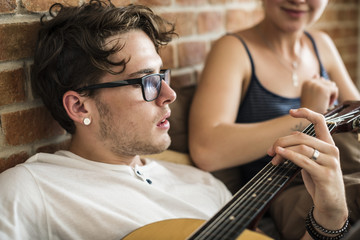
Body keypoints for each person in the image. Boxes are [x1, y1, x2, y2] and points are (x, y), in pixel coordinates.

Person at [0, 1, 351, 240]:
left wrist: (330, 217)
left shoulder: (203, 185)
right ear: (79, 107)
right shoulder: (30, 191)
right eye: (146, 81)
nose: (170, 94)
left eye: (162, 75)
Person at [189, 0, 360, 183]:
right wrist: (308, 114)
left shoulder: (321, 43)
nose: (298, 1)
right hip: (288, 188)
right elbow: (206, 152)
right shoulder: (233, 49)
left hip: (343, 174)